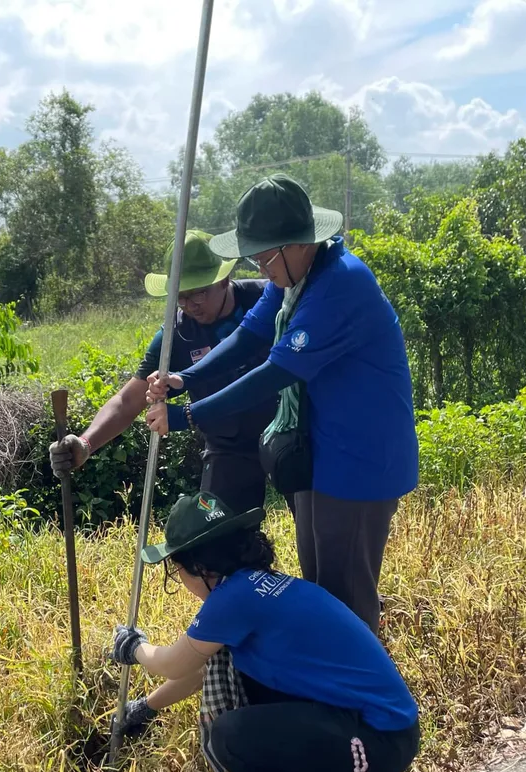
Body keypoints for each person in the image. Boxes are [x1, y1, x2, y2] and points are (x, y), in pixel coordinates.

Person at [145, 175, 418, 635]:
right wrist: (185, 378)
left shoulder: (339, 286)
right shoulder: (295, 278)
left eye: (263, 256)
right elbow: (249, 333)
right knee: (322, 586)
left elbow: (276, 370)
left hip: (361, 458)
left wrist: (189, 413)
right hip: (322, 451)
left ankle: (364, 700)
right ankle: (330, 692)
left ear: (297, 244)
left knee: (345, 597)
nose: (258, 266)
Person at [110, 491, 419, 772]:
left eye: (177, 571)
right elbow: (200, 670)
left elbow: (174, 662)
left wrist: (134, 647)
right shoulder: (256, 586)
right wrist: (146, 707)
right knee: (244, 688)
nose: (180, 580)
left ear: (200, 567)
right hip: (386, 732)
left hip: (381, 743)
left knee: (230, 737)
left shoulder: (233, 599)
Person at [49, 230, 276, 514]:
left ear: (224, 279)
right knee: (219, 539)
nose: (191, 305)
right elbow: (128, 400)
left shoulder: (268, 298)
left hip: (288, 431)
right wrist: (85, 442)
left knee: (314, 529)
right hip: (228, 445)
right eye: (181, 297)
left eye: (200, 293)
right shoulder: (175, 337)